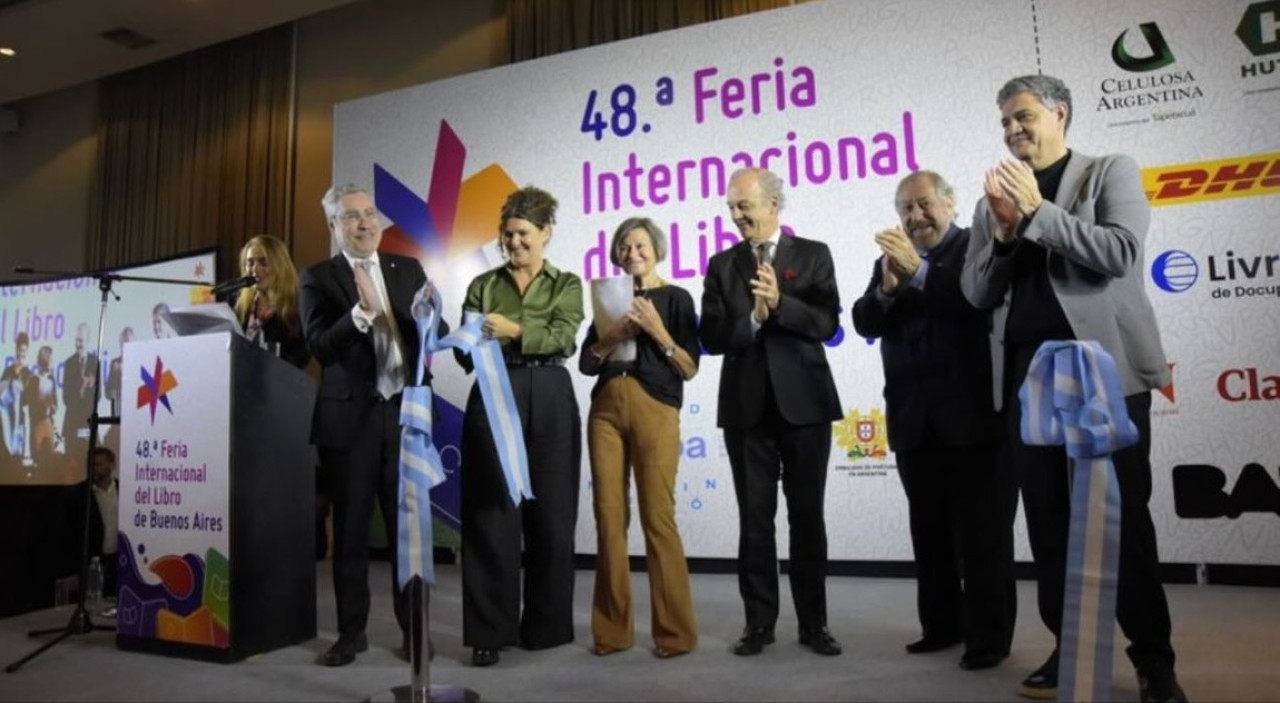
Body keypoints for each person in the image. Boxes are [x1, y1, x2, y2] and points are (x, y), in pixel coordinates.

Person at [960, 74, 1185, 702]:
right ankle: (1072, 646)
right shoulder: (988, 203)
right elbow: (977, 291)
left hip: (1103, 373)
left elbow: (1118, 253)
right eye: (1004, 121)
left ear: (1061, 113)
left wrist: (1036, 213)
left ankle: (1154, 660)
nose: (1012, 130)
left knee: (1122, 522)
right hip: (1032, 380)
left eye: (1024, 116)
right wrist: (1005, 234)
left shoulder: (1108, 171)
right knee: (1051, 524)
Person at [851, 171, 1015, 670]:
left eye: (923, 205)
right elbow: (863, 322)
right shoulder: (894, 257)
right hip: (912, 420)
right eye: (905, 209)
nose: (914, 217)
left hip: (972, 419)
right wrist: (886, 287)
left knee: (982, 536)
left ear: (950, 204)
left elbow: (971, 307)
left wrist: (917, 275)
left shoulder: (977, 246)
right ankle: (941, 626)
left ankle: (988, 638)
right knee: (930, 534)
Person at [698, 167, 844, 657]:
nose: (736, 216)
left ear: (774, 203)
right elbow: (713, 336)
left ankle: (814, 625)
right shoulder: (721, 265)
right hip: (746, 410)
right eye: (731, 208)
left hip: (805, 406)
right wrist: (752, 322)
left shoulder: (814, 254)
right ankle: (758, 624)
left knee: (807, 518)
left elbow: (826, 323)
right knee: (754, 521)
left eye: (744, 206)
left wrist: (781, 306)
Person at [299, 183, 443, 667]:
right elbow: (318, 346)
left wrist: (432, 321)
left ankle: (415, 632)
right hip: (350, 421)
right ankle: (351, 634)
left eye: (369, 213)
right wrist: (360, 313)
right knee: (353, 535)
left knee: (410, 535)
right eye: (352, 216)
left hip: (403, 415)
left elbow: (430, 336)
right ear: (334, 226)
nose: (364, 223)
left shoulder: (409, 269)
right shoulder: (317, 278)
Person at [458, 186, 584, 668]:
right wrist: (462, 337)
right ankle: (489, 632)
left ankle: (547, 628)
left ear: (546, 233)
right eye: (507, 234)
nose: (514, 243)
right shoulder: (483, 285)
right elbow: (466, 352)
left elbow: (564, 337)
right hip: (493, 391)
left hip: (551, 392)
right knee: (492, 515)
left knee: (553, 516)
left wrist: (512, 331)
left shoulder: (567, 283)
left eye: (523, 234)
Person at [579, 217, 699, 659]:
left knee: (657, 518)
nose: (633, 254)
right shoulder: (608, 299)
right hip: (605, 411)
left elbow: (689, 367)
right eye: (625, 247)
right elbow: (587, 364)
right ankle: (612, 632)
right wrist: (611, 337)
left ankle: (675, 633)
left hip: (656, 408)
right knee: (609, 520)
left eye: (641, 245)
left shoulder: (677, 298)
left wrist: (654, 329)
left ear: (657, 249)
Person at [230, 235, 310, 370]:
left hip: (280, 384)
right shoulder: (239, 305)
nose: (255, 269)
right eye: (250, 263)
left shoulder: (298, 306)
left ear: (280, 266)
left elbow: (300, 358)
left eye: (263, 262)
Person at [61, 446, 119, 598]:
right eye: (91, 465)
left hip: (119, 560)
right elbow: (69, 536)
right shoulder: (78, 495)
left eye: (99, 465)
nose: (94, 469)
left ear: (111, 466)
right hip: (93, 562)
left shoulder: (125, 490)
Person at [61, 323, 98, 471]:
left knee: (87, 467)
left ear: (88, 340)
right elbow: (65, 397)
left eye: (81, 340)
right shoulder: (68, 363)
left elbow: (99, 397)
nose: (78, 344)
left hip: (87, 423)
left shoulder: (96, 362)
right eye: (76, 340)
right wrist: (81, 390)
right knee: (70, 469)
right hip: (71, 425)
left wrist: (91, 386)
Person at [24, 345, 59, 469]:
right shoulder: (33, 380)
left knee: (51, 461)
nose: (54, 361)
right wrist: (41, 403)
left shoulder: (52, 379)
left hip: (48, 424)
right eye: (52, 358)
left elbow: (56, 405)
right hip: (38, 425)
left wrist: (52, 406)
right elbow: (28, 404)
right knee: (38, 460)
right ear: (46, 359)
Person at [1, 332, 31, 469]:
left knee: (17, 460)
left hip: (20, 424)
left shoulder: (28, 374)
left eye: (24, 351)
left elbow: (29, 401)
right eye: (19, 350)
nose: (21, 354)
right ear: (16, 350)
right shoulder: (7, 371)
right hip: (6, 424)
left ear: (27, 351)